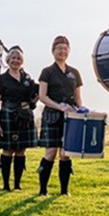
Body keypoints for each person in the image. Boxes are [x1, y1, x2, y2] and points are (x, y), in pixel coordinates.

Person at [37, 36, 83, 196]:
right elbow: (42, 96)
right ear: (53, 51)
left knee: (65, 153)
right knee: (50, 152)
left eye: (65, 48)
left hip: (70, 117)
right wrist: (59, 106)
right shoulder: (47, 72)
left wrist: (81, 110)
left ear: (68, 51)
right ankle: (43, 190)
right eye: (59, 48)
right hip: (52, 115)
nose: (62, 51)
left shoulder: (74, 73)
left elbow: (78, 98)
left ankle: (64, 191)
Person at [0, 45, 38, 191]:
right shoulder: (2, 79)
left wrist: (33, 100)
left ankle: (17, 185)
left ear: (22, 61)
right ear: (8, 60)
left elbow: (34, 99)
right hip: (7, 114)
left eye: (18, 58)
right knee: (8, 150)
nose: (16, 61)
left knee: (21, 151)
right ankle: (6, 185)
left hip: (24, 116)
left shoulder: (27, 78)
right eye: (13, 58)